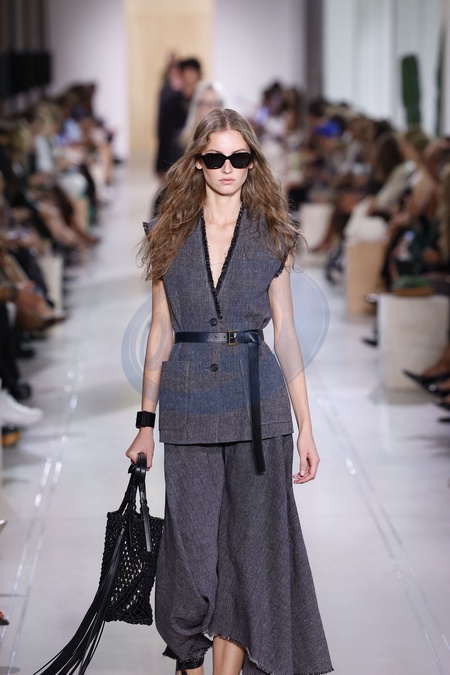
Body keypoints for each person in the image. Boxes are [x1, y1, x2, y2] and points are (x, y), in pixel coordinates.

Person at [126, 108, 333, 675]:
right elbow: (160, 332)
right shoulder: (167, 235)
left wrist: (306, 427)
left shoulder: (273, 236)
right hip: (189, 406)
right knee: (192, 555)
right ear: (198, 161)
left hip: (259, 410)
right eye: (215, 157)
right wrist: (144, 424)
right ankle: (188, 656)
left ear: (251, 164)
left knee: (248, 557)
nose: (227, 167)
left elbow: (285, 333)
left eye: (238, 158)